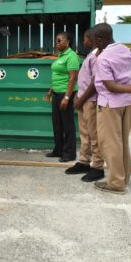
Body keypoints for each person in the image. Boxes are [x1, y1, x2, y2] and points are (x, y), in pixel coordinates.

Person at [93, 23, 131, 194]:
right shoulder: (125, 50)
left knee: (111, 144)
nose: (93, 43)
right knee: (123, 142)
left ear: (99, 39)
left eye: (94, 40)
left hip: (110, 105)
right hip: (128, 103)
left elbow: (110, 86)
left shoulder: (103, 58)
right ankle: (123, 177)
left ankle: (115, 183)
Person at [66, 29, 104, 181]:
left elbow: (95, 82)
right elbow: (84, 80)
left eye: (85, 39)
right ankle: (84, 161)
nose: (83, 42)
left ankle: (98, 167)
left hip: (91, 100)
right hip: (83, 99)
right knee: (85, 134)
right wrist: (78, 97)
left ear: (93, 39)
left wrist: (81, 100)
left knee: (94, 135)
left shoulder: (97, 58)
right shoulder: (91, 55)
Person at [45, 31, 80, 162]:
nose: (57, 43)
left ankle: (70, 154)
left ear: (68, 41)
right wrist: (50, 90)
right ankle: (58, 150)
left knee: (67, 125)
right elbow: (58, 76)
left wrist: (66, 97)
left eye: (59, 40)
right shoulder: (60, 55)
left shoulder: (71, 56)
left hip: (66, 94)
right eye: (56, 41)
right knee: (57, 124)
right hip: (56, 93)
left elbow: (72, 79)